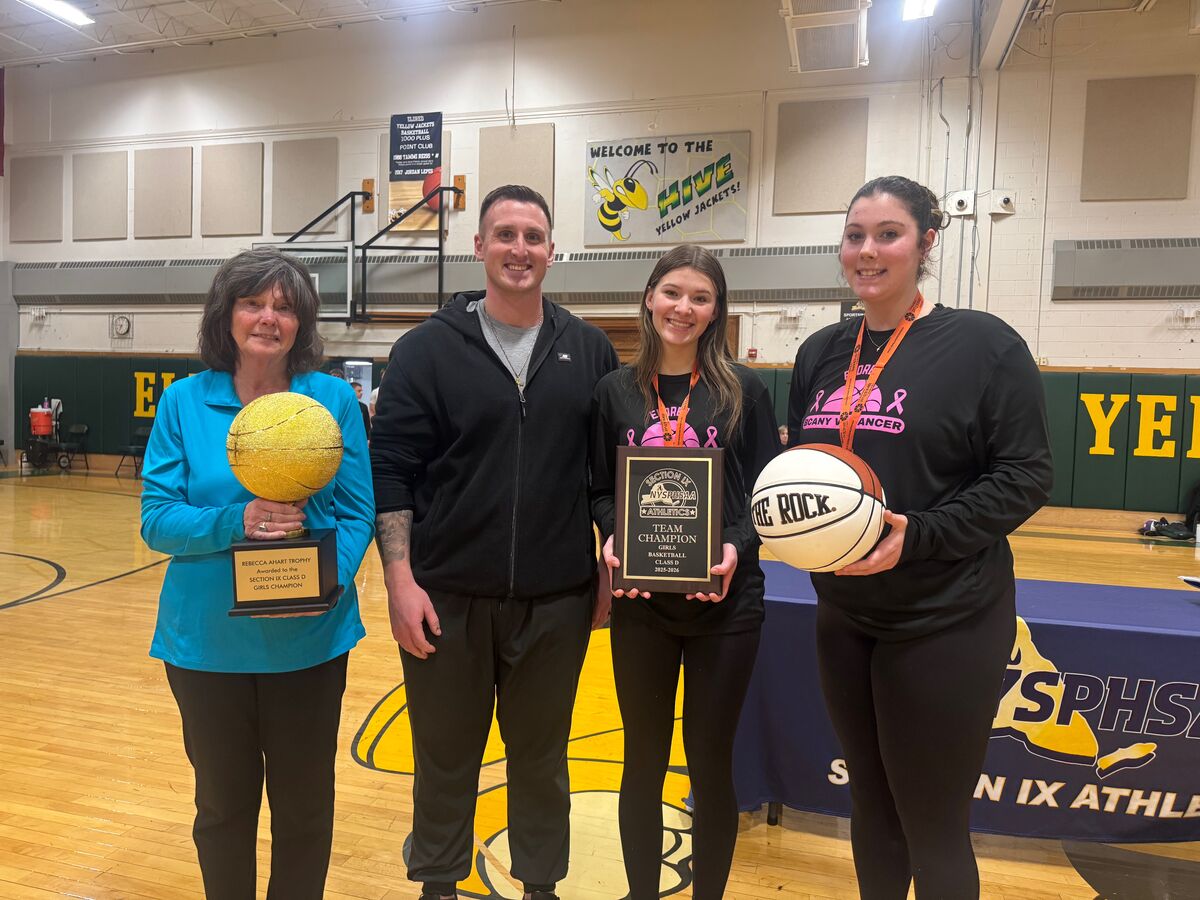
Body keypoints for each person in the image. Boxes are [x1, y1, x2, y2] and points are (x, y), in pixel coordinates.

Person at [786, 176, 1053, 899]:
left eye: (887, 234)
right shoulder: (819, 354)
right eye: (854, 236)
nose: (866, 251)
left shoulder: (985, 346)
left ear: (926, 241)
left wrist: (923, 533)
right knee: (871, 810)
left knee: (931, 822)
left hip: (946, 618)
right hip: (845, 616)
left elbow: (1027, 475)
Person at [370, 184, 619, 900]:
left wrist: (606, 560)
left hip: (557, 599)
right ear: (477, 246)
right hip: (446, 592)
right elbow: (391, 470)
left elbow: (607, 471)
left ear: (551, 250)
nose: (520, 249)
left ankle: (540, 885)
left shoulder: (589, 347)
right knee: (445, 756)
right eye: (504, 234)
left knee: (541, 759)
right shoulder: (423, 351)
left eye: (533, 236)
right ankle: (438, 884)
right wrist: (399, 580)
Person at [140, 248, 374, 899]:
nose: (269, 317)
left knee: (304, 813)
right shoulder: (185, 402)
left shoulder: (330, 399)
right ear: (227, 313)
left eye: (284, 306)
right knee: (222, 809)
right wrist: (234, 522)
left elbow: (358, 511)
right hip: (207, 646)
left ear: (302, 322)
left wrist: (332, 582)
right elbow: (157, 520)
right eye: (254, 302)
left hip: (309, 642)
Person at [590, 244, 779, 900]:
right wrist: (614, 537)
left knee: (709, 765)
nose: (683, 308)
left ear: (716, 311)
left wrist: (733, 546)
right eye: (672, 292)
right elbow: (596, 488)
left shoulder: (743, 390)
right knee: (640, 760)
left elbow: (765, 493)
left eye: (700, 297)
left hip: (725, 607)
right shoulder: (615, 391)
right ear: (649, 297)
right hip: (642, 605)